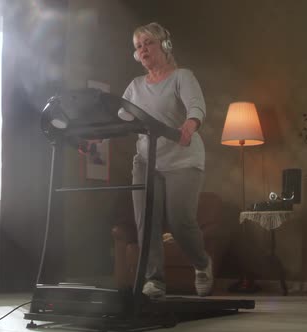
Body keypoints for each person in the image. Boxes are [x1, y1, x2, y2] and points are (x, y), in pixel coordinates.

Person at [122, 22, 212, 298]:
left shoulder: (182, 76)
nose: (143, 49)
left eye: (148, 42)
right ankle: (155, 280)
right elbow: (120, 119)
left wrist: (190, 124)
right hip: (147, 160)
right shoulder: (135, 87)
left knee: (179, 220)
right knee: (145, 220)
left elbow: (196, 104)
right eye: (139, 46)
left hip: (183, 158)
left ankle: (202, 263)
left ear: (165, 45)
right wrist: (93, 138)